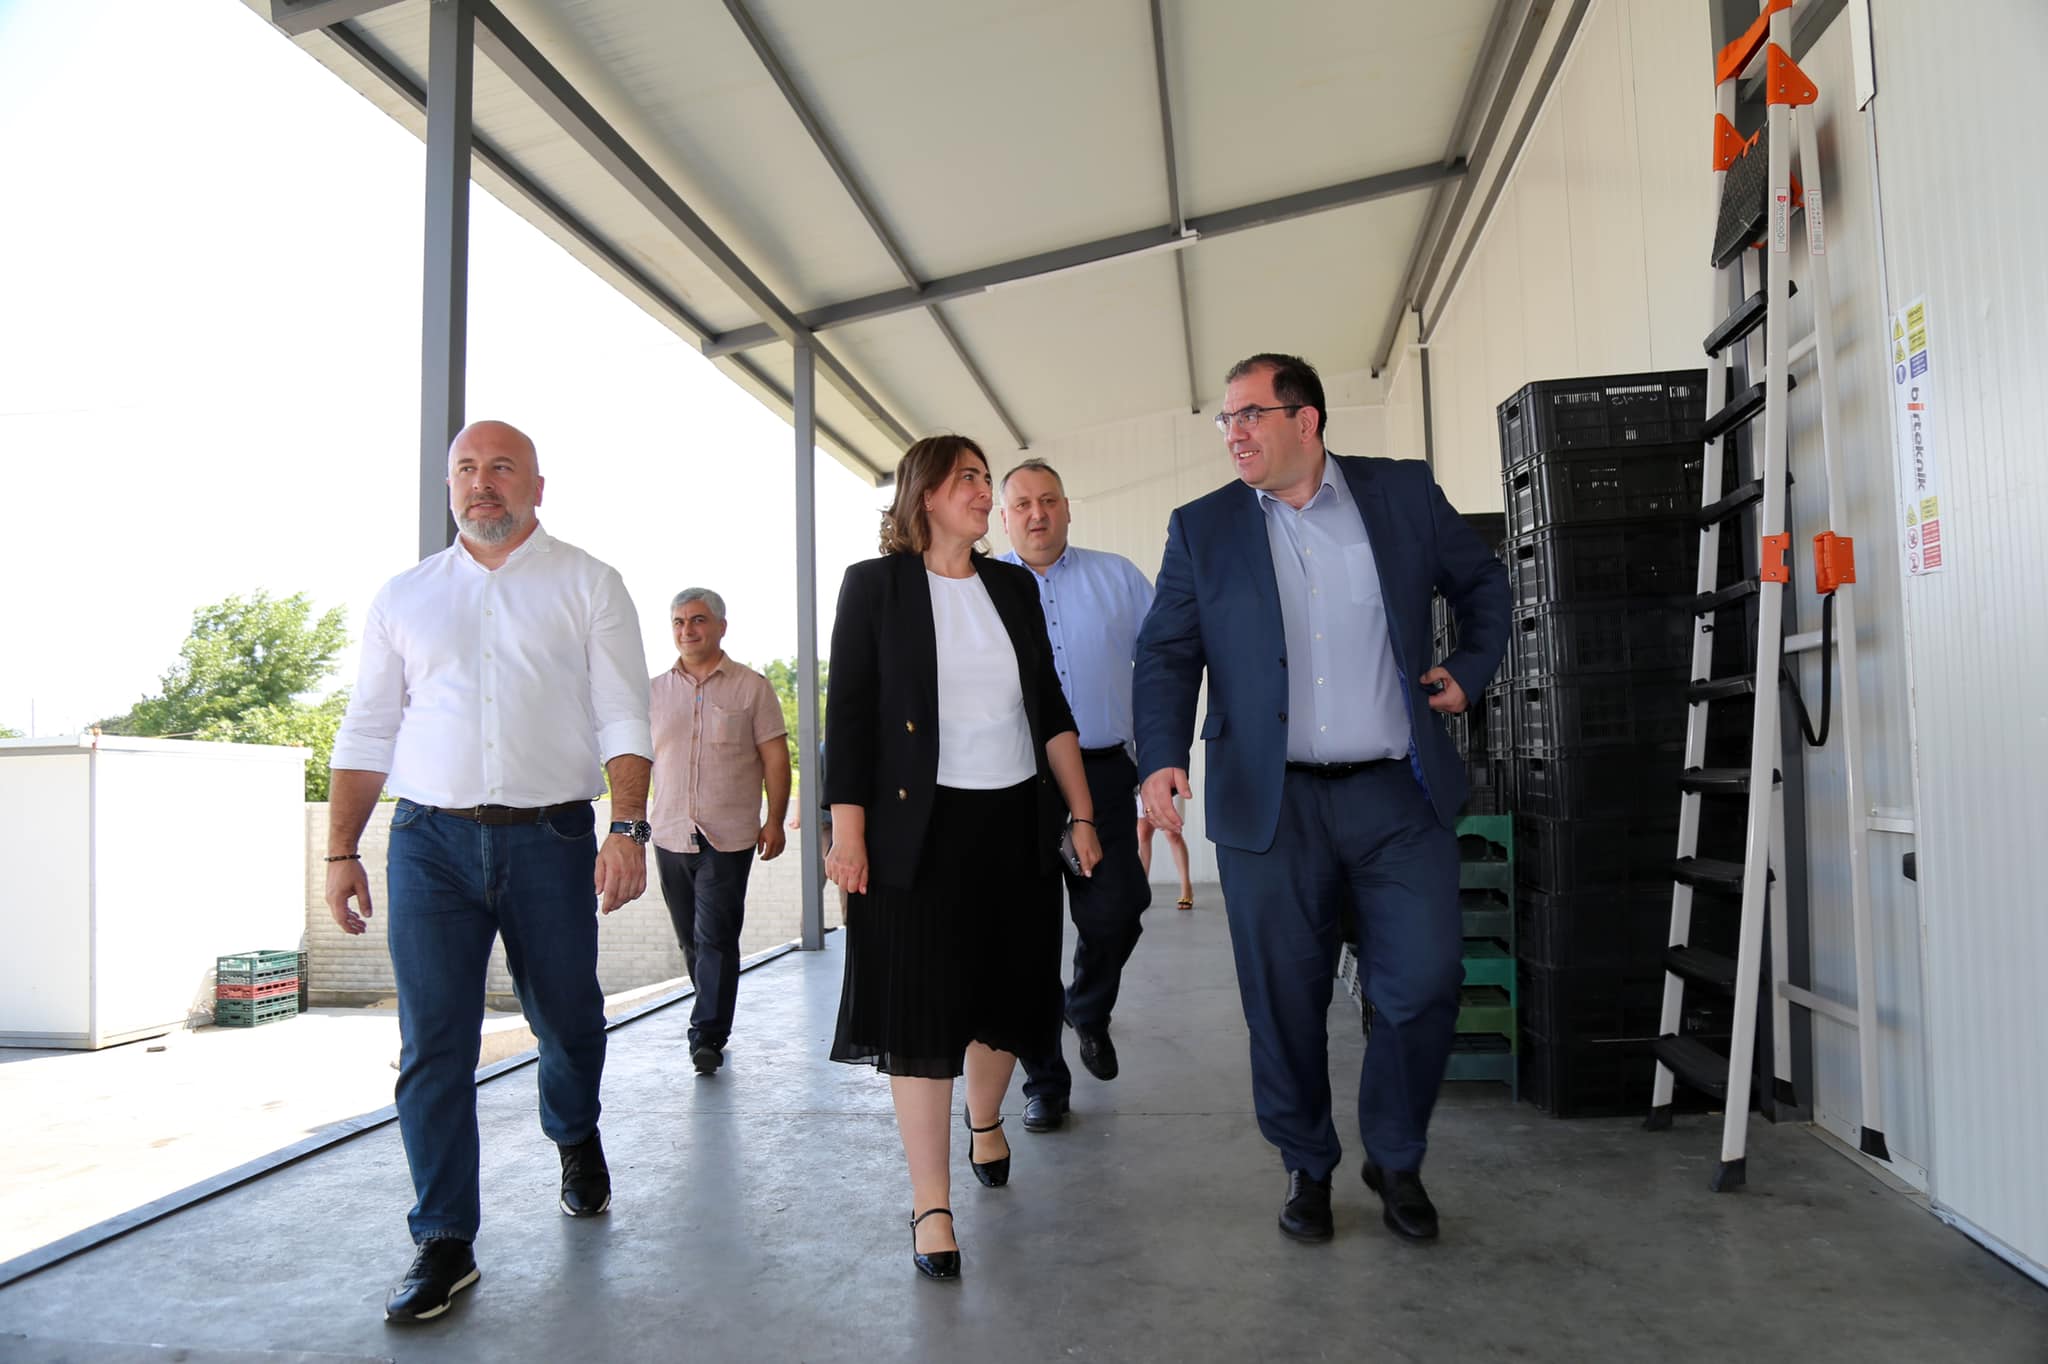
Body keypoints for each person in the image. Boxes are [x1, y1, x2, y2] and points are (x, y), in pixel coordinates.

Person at [1133, 354, 1509, 1246]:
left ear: (1305, 420)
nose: (1233, 434)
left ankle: (1396, 1156)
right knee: (1284, 1000)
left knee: (1424, 982)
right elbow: (1167, 652)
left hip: (1395, 795)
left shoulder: (1401, 494)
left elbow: (1485, 585)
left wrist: (1470, 668)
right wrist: (1160, 757)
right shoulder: (1203, 528)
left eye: (1250, 415)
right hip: (1272, 806)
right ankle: (1307, 1163)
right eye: (1225, 420)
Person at [325, 420, 654, 1322]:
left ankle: (574, 1131)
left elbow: (624, 714)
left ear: (537, 486)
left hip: (551, 839)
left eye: (502, 467)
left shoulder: (589, 583)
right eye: (466, 468)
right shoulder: (404, 597)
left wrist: (628, 827)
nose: (483, 483)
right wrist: (341, 848)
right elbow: (368, 729)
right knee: (434, 1042)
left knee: (569, 1019)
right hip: (427, 843)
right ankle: (444, 1238)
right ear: (449, 486)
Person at [823, 434, 1103, 1281]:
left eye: (986, 479)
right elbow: (849, 718)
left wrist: (1082, 813)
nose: (986, 492)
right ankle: (931, 1203)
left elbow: (1049, 707)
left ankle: (986, 1117)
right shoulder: (874, 587)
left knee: (1008, 993)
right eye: (970, 479)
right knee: (920, 1010)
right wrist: (846, 833)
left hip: (1014, 823)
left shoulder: (1013, 587)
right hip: (917, 832)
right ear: (925, 494)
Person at [995, 458, 1156, 1133]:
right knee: (1027, 938)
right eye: (1023, 504)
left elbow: (1162, 666)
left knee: (1120, 908)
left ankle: (1086, 1007)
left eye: (1049, 500)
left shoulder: (1119, 578)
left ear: (1067, 508)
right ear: (1004, 518)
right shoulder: (982, 587)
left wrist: (1157, 760)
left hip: (1104, 773)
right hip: (1015, 781)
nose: (1037, 514)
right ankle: (1044, 1084)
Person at [648, 588, 790, 1076]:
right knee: (691, 940)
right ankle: (709, 1013)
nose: (687, 629)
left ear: (721, 627)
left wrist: (775, 819)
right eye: (679, 621)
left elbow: (775, 759)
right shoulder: (653, 692)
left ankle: (707, 1033)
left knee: (715, 937)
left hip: (727, 836)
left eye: (698, 620)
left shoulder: (752, 688)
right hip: (669, 832)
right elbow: (637, 761)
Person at [1135, 789, 1195, 911]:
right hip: (1143, 782)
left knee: (1172, 834)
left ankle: (1186, 887)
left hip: (1169, 781)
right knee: (1143, 833)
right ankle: (1142, 888)